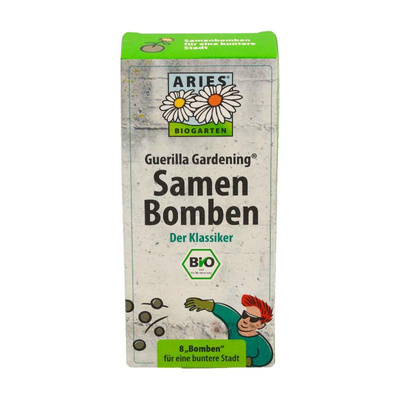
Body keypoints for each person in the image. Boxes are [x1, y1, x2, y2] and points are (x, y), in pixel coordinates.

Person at [184, 294, 273, 367]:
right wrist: (208, 305)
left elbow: (266, 357)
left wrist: (248, 361)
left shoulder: (259, 341)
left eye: (253, 319)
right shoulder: (236, 324)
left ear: (261, 325)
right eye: (245, 315)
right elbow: (227, 312)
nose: (245, 320)